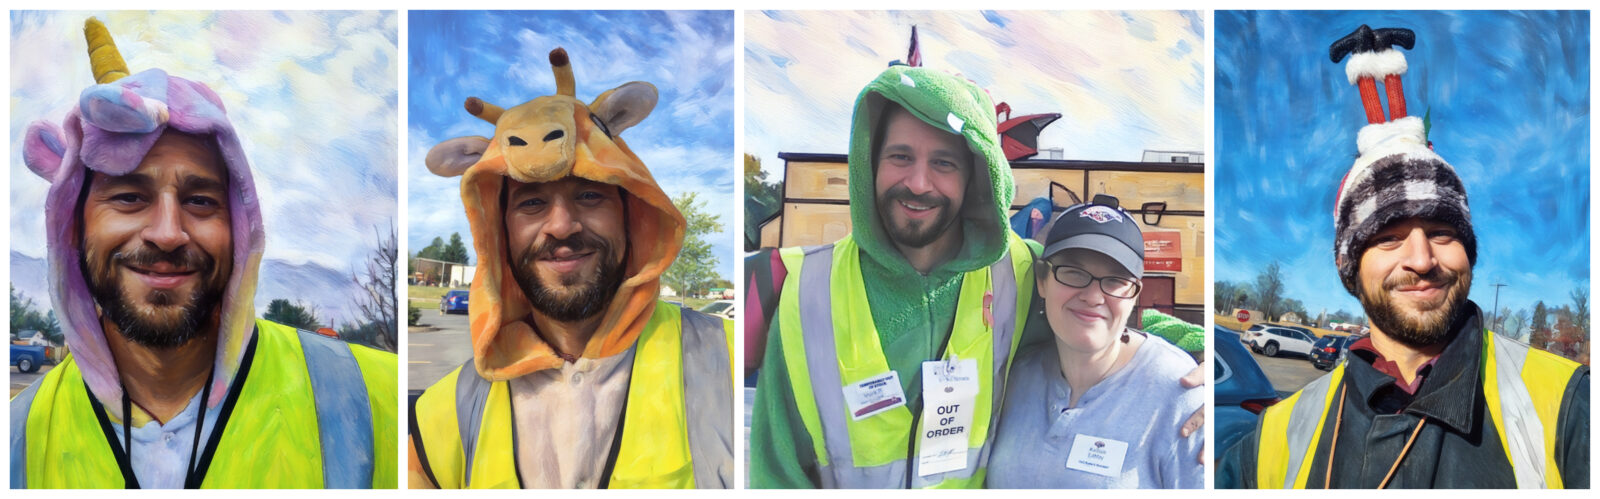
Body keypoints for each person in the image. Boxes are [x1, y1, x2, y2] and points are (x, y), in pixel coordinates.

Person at [747, 60, 1207, 488]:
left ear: (975, 177)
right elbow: (776, 465)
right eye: (900, 157)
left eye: (944, 163)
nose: (919, 182)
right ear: (870, 163)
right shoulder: (805, 288)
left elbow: (1098, 304)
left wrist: (1202, 355)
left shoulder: (1017, 272)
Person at [11, 18, 397, 489]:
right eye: (129, 196)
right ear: (74, 224)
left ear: (239, 226)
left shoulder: (379, 399)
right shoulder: (19, 437)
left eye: (200, 201)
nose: (168, 233)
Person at [1216, 25, 1589, 489]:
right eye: (1388, 238)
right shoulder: (1276, 435)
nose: (1420, 258)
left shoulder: (1571, 407)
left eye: (1441, 231)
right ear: (1347, 267)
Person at [410, 47, 733, 489]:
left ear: (632, 213)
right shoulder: (439, 416)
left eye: (589, 195)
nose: (561, 226)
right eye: (532, 202)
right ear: (499, 233)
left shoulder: (732, 358)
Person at [986, 198, 1204, 488]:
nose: (1093, 296)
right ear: (1042, 280)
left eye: (1114, 280)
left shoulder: (1178, 395)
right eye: (1074, 273)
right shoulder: (1014, 377)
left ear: (1135, 294)